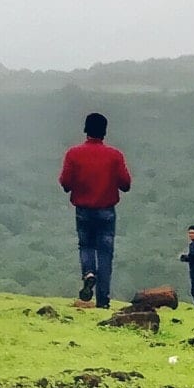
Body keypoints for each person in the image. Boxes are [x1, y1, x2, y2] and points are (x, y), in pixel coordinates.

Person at [57, 111, 133, 308]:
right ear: (104, 132)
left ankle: (88, 273)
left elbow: (65, 182)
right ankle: (103, 300)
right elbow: (125, 184)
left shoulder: (73, 154)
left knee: (86, 246)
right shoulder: (115, 155)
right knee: (105, 253)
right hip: (107, 210)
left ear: (85, 130)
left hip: (83, 209)